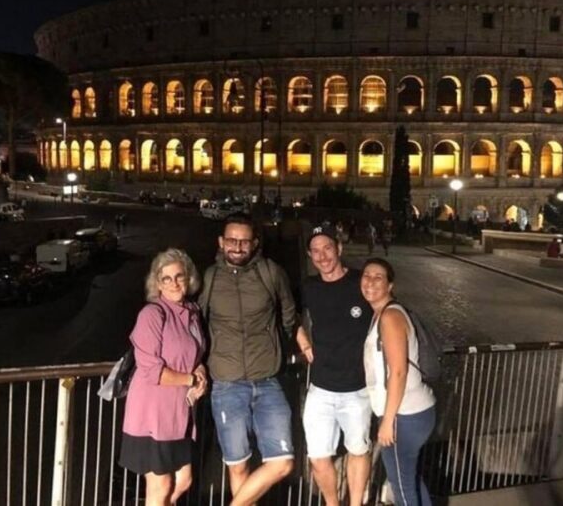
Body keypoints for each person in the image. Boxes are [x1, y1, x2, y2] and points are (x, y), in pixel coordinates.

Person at [200, 214, 298, 506]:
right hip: (226, 383)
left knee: (282, 462)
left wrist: (302, 339)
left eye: (244, 241)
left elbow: (290, 315)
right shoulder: (209, 278)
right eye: (232, 240)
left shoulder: (271, 272)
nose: (238, 247)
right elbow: (196, 325)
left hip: (267, 380)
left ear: (255, 244)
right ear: (221, 242)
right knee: (238, 465)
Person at [119, 248, 208, 506]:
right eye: (166, 278)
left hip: (178, 413)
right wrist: (191, 379)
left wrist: (200, 370)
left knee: (183, 481)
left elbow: (195, 354)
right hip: (152, 413)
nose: (174, 283)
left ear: (189, 278)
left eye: (179, 276)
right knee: (161, 485)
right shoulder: (152, 314)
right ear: (157, 283)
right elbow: (152, 370)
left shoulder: (191, 312)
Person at [295, 225, 373, 506]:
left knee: (358, 451)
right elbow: (288, 316)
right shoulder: (309, 287)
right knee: (317, 458)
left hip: (358, 390)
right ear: (309, 255)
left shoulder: (361, 283)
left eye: (327, 248)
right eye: (315, 251)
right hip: (321, 388)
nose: (322, 256)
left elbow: (387, 313)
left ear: (339, 248)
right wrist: (304, 344)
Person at [361, 258, 436, 506]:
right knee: (410, 480)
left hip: (404, 415)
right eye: (367, 275)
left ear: (390, 285)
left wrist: (387, 420)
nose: (370, 281)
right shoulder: (383, 314)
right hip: (412, 411)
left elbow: (399, 372)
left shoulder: (390, 316)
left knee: (403, 489)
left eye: (378, 277)